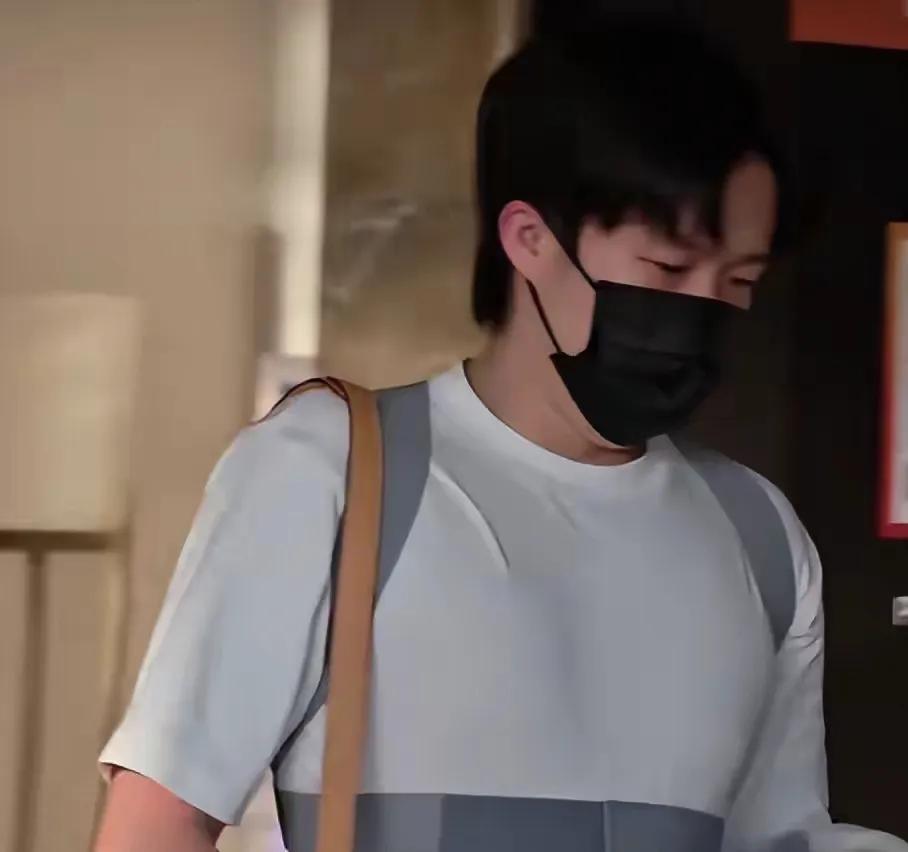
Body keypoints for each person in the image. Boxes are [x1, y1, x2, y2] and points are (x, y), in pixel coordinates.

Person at [95, 16, 907, 852]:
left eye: (737, 280)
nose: (701, 306)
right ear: (530, 239)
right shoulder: (331, 471)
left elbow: (780, 839)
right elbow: (160, 820)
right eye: (667, 268)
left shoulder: (758, 533)